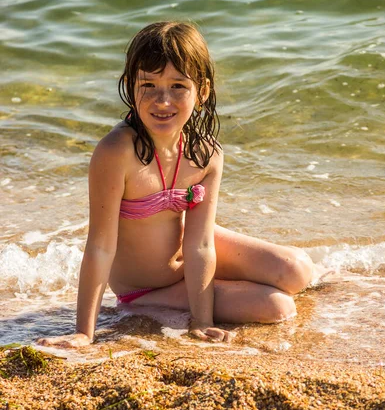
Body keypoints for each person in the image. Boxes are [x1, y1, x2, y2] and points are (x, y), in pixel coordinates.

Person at [39, 21, 316, 348]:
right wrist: (84, 333)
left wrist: (202, 321)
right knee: (278, 306)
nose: (162, 100)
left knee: (297, 270)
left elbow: (199, 244)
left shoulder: (206, 154)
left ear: (203, 91)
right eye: (149, 85)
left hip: (190, 260)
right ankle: (200, 293)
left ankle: (222, 286)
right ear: (130, 85)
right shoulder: (117, 152)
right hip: (146, 290)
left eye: (177, 87)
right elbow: (100, 247)